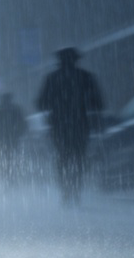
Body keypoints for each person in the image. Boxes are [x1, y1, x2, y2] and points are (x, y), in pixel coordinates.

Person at [36, 47, 104, 204]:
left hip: (59, 126)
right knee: (79, 157)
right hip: (80, 125)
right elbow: (98, 103)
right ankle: (75, 188)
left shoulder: (52, 78)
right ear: (76, 60)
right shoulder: (86, 77)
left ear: (59, 61)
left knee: (63, 158)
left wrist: (52, 107)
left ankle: (66, 190)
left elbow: (40, 103)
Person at [0, 92, 27, 184]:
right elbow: (23, 125)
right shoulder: (16, 111)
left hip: (0, 141)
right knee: (12, 160)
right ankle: (11, 179)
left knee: (3, 161)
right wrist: (18, 134)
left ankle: (6, 179)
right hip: (13, 140)